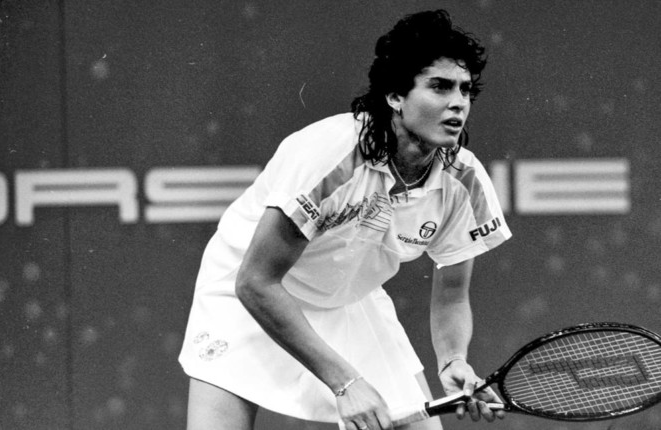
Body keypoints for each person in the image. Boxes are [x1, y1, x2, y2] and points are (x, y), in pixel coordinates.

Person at [179, 9, 512, 430]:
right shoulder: (327, 155)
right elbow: (256, 282)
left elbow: (452, 294)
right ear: (395, 95)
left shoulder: (464, 179)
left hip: (347, 299)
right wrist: (345, 382)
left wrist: (453, 360)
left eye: (465, 89)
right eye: (440, 86)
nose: (458, 102)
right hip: (251, 290)